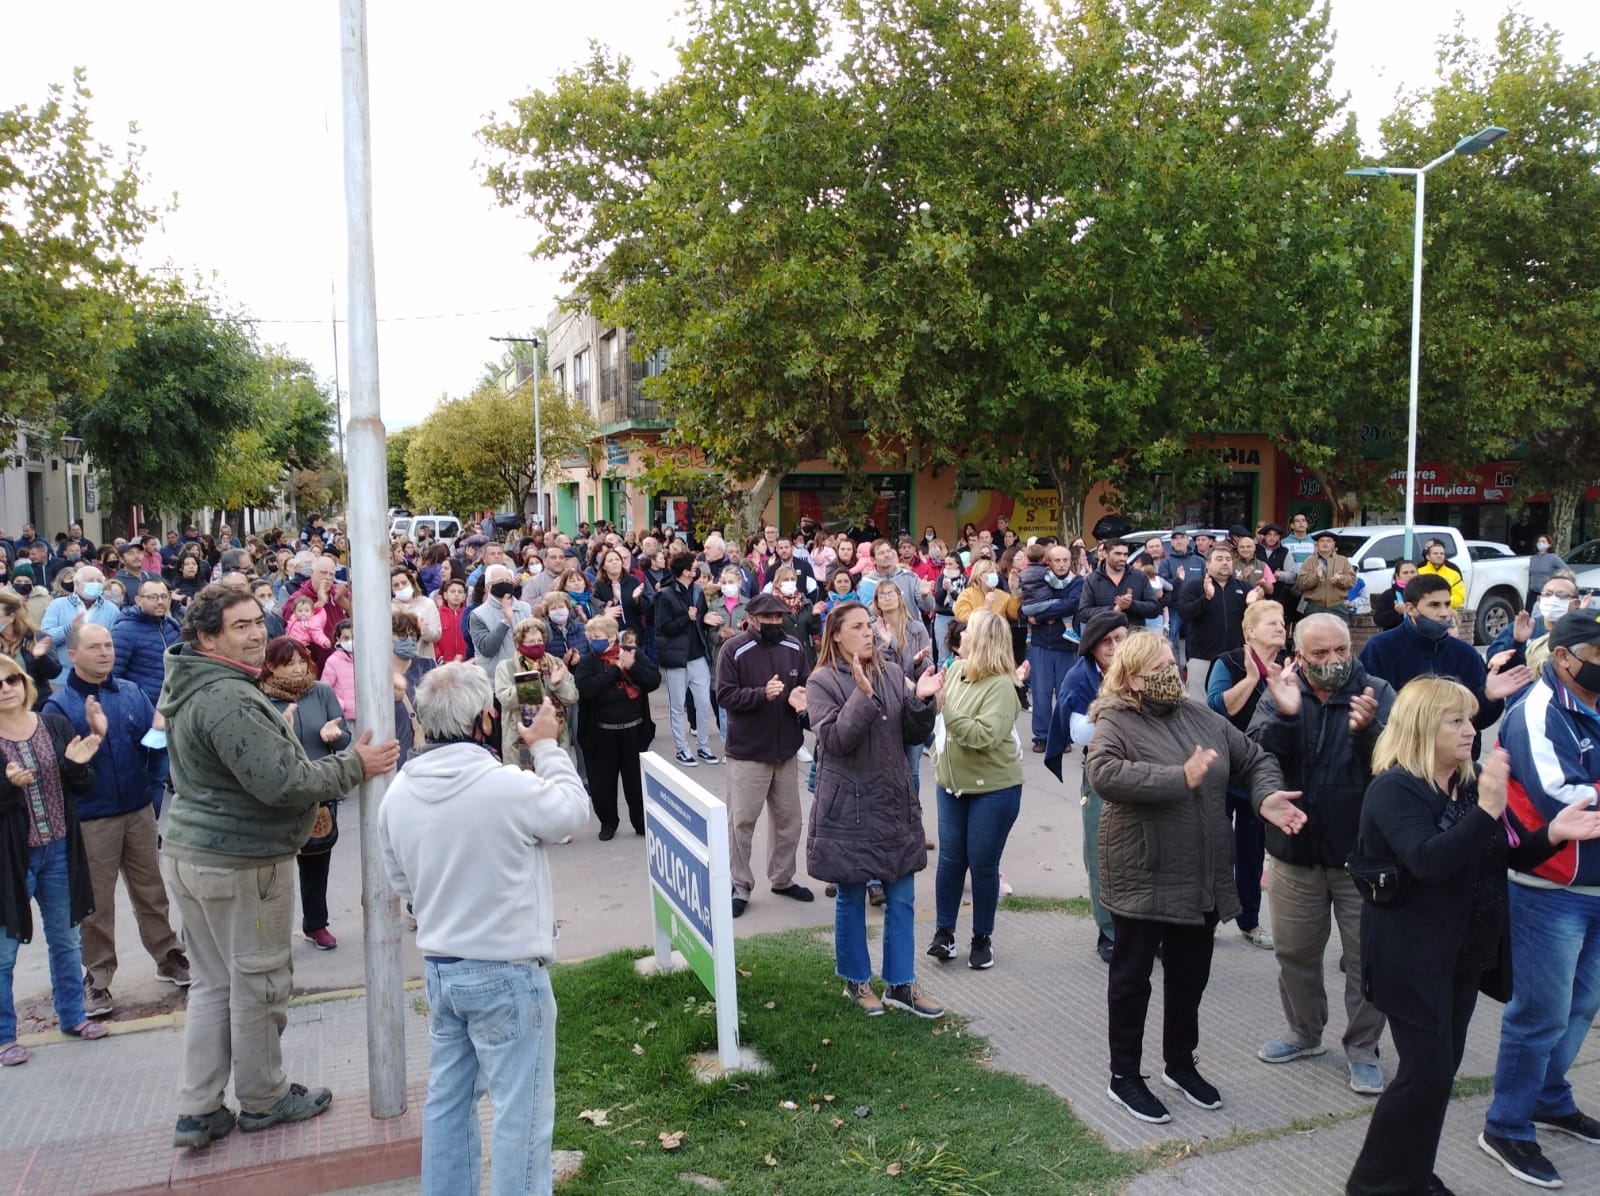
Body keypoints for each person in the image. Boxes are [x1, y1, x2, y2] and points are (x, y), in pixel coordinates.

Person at [159, 583, 399, 1149]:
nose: (255, 633)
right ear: (206, 637)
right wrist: (353, 765)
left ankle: (199, 1110)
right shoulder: (228, 698)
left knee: (215, 985)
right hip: (241, 863)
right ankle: (264, 1100)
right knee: (259, 985)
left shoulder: (198, 683)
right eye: (239, 626)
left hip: (197, 854)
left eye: (255, 621)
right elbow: (283, 783)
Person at [1345, 681, 1600, 1196]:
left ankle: (1413, 1174)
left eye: (1469, 720)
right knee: (1425, 1075)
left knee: (1442, 1073)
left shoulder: (1469, 782)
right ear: (1421, 727)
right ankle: (1374, 1184)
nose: (1470, 730)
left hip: (1462, 953)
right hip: (1409, 956)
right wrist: (1487, 809)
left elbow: (1502, 855)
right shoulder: (1395, 789)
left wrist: (1554, 833)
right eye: (1456, 722)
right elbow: (1428, 861)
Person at [378, 664, 588, 1196]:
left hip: (442, 969)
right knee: (521, 1113)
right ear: (486, 719)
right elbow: (571, 813)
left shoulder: (398, 792)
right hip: (507, 971)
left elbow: (401, 881)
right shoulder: (505, 786)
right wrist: (547, 746)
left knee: (448, 1102)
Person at [1086, 629, 1306, 1124]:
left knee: (1189, 979)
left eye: (1173, 664)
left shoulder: (1200, 717)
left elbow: (1254, 758)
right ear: (1134, 678)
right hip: (1143, 873)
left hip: (1200, 876)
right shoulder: (1116, 721)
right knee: (1131, 981)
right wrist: (1177, 779)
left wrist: (1266, 795)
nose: (1173, 674)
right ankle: (1125, 1076)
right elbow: (1104, 772)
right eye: (1161, 668)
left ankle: (1179, 1064)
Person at [1248, 613, 1396, 1095]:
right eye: (1320, 654)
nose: (1333, 662)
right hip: (1295, 852)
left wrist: (1369, 731)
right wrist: (1288, 717)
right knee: (1295, 951)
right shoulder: (1282, 690)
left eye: (1340, 651)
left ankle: (1362, 1049)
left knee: (1367, 960)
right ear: (1300, 655)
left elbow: (1399, 769)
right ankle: (1304, 1033)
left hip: (1362, 857)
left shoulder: (1376, 691)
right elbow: (1259, 758)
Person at [1478, 610, 1600, 1189]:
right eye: (1597, 655)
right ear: (1563, 657)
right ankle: (1506, 1125)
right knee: (1540, 1014)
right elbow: (1568, 806)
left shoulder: (1588, 704)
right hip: (1550, 888)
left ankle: (1550, 1097)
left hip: (1594, 887)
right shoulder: (1535, 712)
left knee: (1579, 1007)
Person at [807, 601, 943, 1018]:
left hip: (893, 800)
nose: (869, 632)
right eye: (858, 627)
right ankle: (856, 980)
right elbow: (835, 741)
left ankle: (901, 983)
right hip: (850, 805)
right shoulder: (822, 681)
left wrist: (921, 702)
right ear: (836, 635)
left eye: (871, 625)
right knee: (851, 891)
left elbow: (912, 734)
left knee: (901, 892)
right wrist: (862, 697)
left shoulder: (890, 670)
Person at [44, 623, 186, 1018]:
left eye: (108, 645)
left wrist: (153, 788)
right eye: (94, 647)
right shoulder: (59, 708)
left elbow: (154, 743)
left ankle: (169, 955)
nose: (105, 652)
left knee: (151, 891)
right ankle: (98, 976)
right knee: (96, 904)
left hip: (139, 809)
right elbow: (61, 769)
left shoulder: (130, 693)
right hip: (92, 819)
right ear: (73, 655)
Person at [0, 655, 109, 1068]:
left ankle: (73, 1016)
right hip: (11, 860)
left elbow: (81, 785)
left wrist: (79, 766)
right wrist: (8, 786)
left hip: (60, 850)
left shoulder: (52, 724)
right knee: (4, 953)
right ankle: (5, 1036)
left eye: (12, 678)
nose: (7, 687)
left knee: (66, 940)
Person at [928, 609, 1023, 970]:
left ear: (981, 640)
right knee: (950, 861)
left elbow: (983, 736)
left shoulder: (1001, 685)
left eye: (969, 630)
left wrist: (944, 709)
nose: (961, 634)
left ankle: (982, 939)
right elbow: (938, 720)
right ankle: (944, 934)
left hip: (994, 790)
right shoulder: (953, 670)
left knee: (982, 865)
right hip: (951, 786)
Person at [714, 592, 813, 917]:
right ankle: (740, 885)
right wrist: (761, 694)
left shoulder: (794, 647)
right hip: (748, 752)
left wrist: (800, 697)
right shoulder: (734, 649)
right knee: (742, 821)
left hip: (785, 749)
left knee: (789, 821)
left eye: (778, 617)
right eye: (768, 618)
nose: (774, 623)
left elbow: (806, 683)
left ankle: (782, 879)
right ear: (752, 618)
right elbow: (725, 695)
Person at [1360, 575, 1529, 756]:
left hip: (1456, 765)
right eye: (1434, 605)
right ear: (1410, 608)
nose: (1444, 613)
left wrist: (1489, 698)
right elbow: (1373, 714)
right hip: (1402, 758)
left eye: (1447, 604)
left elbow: (1477, 722)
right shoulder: (1380, 648)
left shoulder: (1465, 654)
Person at [1044, 610, 1129, 962]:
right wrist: (1124, 711)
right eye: (1106, 642)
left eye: (1120, 639)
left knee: (1142, 854)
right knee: (1102, 853)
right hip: (1101, 773)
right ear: (1092, 647)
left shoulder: (1144, 666)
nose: (1114, 647)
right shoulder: (1080, 676)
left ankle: (1142, 928)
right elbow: (1080, 733)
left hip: (1144, 769)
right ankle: (1108, 930)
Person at [258, 638, 350, 952]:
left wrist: (333, 736)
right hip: (277, 795)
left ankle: (316, 925)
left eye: (301, 661)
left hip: (318, 791)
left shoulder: (321, 692)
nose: (297, 669)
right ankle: (267, 932)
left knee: (316, 863)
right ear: (271, 666)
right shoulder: (259, 697)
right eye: (289, 663)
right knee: (271, 871)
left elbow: (344, 737)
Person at [1205, 599, 1288, 949]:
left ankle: (1250, 922)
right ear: (1250, 631)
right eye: (1272, 623)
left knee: (1252, 854)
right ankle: (1205, 921)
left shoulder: (1286, 668)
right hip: (1223, 773)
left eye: (1283, 622)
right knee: (1214, 850)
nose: (1282, 627)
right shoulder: (1227, 663)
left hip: (1260, 776)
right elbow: (1217, 708)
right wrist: (1253, 677)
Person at [573, 616, 660, 837]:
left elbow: (653, 680)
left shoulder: (632, 654)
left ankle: (641, 822)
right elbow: (588, 690)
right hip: (601, 733)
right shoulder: (587, 662)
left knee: (635, 782)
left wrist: (631, 668)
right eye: (591, 637)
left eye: (598, 637)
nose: (594, 641)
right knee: (603, 782)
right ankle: (608, 822)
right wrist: (615, 671)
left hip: (634, 730)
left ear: (613, 637)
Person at [655, 551, 721, 767]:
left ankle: (703, 747)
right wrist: (687, 618)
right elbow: (663, 628)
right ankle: (682, 749)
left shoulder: (697, 592)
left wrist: (704, 619)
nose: (697, 570)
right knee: (677, 706)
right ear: (684, 571)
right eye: (694, 567)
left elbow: (699, 619)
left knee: (703, 705)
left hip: (697, 655)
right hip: (676, 657)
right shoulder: (664, 595)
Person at [1019, 543, 1083, 753]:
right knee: (1040, 693)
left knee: (1065, 693)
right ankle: (1042, 736)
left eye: (1065, 560)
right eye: (1057, 560)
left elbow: (1071, 604)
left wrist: (1039, 615)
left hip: (1066, 646)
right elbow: (1022, 609)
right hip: (1040, 646)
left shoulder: (1077, 582)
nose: (1062, 564)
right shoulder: (1039, 578)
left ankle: (1063, 736)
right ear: (1049, 562)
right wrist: (1033, 614)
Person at [493, 618, 578, 769]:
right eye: (531, 642)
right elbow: (506, 700)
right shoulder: (506, 666)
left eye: (540, 640)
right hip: (519, 740)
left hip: (556, 736)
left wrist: (557, 684)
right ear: (520, 643)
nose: (537, 644)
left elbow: (572, 697)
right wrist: (532, 679)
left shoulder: (556, 663)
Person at [1177, 545, 1254, 702]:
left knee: (1234, 706)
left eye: (1228, 559)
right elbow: (1185, 613)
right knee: (1199, 709)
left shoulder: (1244, 588)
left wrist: (1252, 606)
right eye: (1219, 559)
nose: (1225, 563)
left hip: (1235, 659)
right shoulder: (1194, 586)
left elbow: (1257, 622)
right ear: (1207, 564)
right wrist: (1206, 599)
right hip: (1202, 658)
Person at [1076, 539, 1161, 632]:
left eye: (1125, 554)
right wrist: (1113, 609)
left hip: (1134, 640)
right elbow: (1083, 613)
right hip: (1104, 639)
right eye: (1118, 554)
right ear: (1105, 553)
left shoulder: (1139, 576)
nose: (1123, 558)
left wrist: (1131, 605)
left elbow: (1154, 609)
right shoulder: (1092, 580)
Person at [470, 565, 533, 680]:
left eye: (508, 581)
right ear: (488, 587)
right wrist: (506, 621)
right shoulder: (477, 615)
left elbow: (541, 639)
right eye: (500, 581)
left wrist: (540, 618)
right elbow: (487, 649)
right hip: (496, 681)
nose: (505, 584)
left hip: (525, 676)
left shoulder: (525, 608)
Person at [0, 587, 59, 708]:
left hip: (36, 707)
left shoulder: (36, 637)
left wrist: (41, 657)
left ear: (11, 617)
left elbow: (53, 672)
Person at [1294, 531, 1358, 622]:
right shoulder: (1309, 561)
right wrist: (1316, 577)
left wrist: (1340, 579)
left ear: (1333, 544)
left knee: (1339, 635)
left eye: (1328, 541)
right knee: (1314, 635)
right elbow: (1301, 583)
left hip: (1338, 606)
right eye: (1322, 541)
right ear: (1317, 545)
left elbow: (1352, 581)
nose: (1325, 544)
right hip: (1314, 607)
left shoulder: (1343, 561)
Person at [392, 565, 441, 653]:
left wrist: (423, 630)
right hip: (399, 661)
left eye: (404, 583)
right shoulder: (390, 608)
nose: (401, 587)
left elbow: (436, 635)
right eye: (396, 585)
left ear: (411, 582)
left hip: (424, 659)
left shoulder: (428, 604)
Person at [1370, 560, 1418, 633]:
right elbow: (1379, 620)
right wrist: (1396, 612)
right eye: (1405, 573)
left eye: (1412, 572)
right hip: (1396, 637)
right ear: (1397, 576)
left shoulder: (1425, 593)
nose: (1409, 575)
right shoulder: (1389, 594)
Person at [1527, 533, 1566, 608]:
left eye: (1543, 541)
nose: (1540, 543)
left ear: (1549, 545)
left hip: (1546, 593)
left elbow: (1566, 570)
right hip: (1533, 592)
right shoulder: (1533, 558)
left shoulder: (1553, 558)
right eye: (1538, 542)